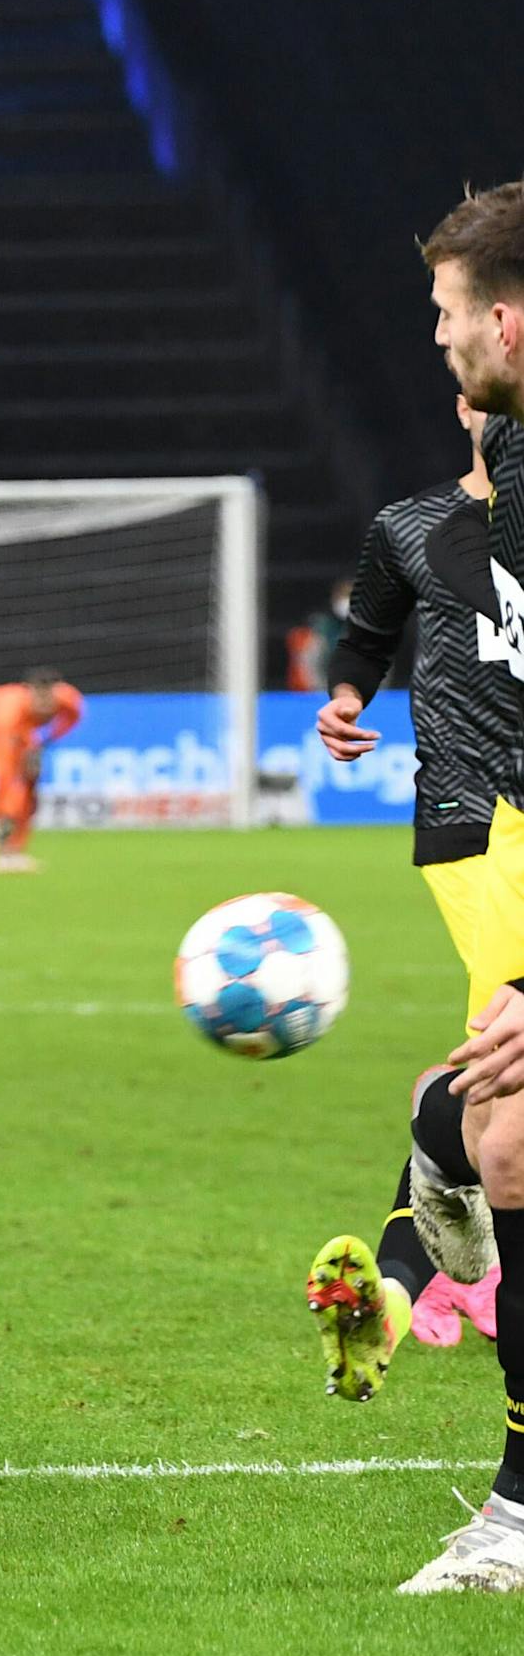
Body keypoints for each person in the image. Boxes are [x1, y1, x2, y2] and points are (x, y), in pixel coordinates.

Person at [358, 183, 524, 1591]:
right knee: (515, 1120)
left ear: (505, 322)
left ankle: (433, 1158)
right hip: (494, 833)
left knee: (493, 1109)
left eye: (447, 315)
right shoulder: (483, 484)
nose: (437, 343)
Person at [305, 396, 507, 1400]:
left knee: (493, 1068)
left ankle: (401, 1274)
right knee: (507, 1074)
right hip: (476, 824)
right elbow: (368, 634)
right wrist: (344, 701)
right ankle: (421, 1262)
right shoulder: (410, 526)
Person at [0, 670, 83, 873]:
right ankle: (1, 849)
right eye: (39, 697)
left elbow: (72, 719)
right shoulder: (9, 715)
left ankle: (17, 850)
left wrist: (44, 743)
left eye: (49, 698)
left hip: (23, 730)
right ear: (29, 692)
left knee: (30, 785)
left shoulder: (68, 699)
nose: (44, 705)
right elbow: (5, 774)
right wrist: (4, 807)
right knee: (12, 788)